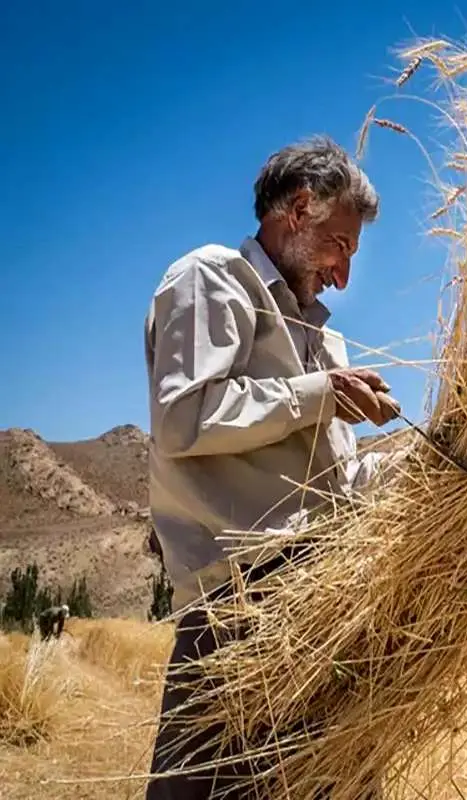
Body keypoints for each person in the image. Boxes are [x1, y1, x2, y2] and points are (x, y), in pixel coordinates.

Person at [143, 136, 400, 799]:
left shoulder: (323, 336)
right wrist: (321, 395)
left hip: (321, 612)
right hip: (235, 616)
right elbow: (185, 417)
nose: (343, 274)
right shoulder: (211, 279)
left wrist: (421, 466)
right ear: (299, 208)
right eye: (339, 244)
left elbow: (331, 493)